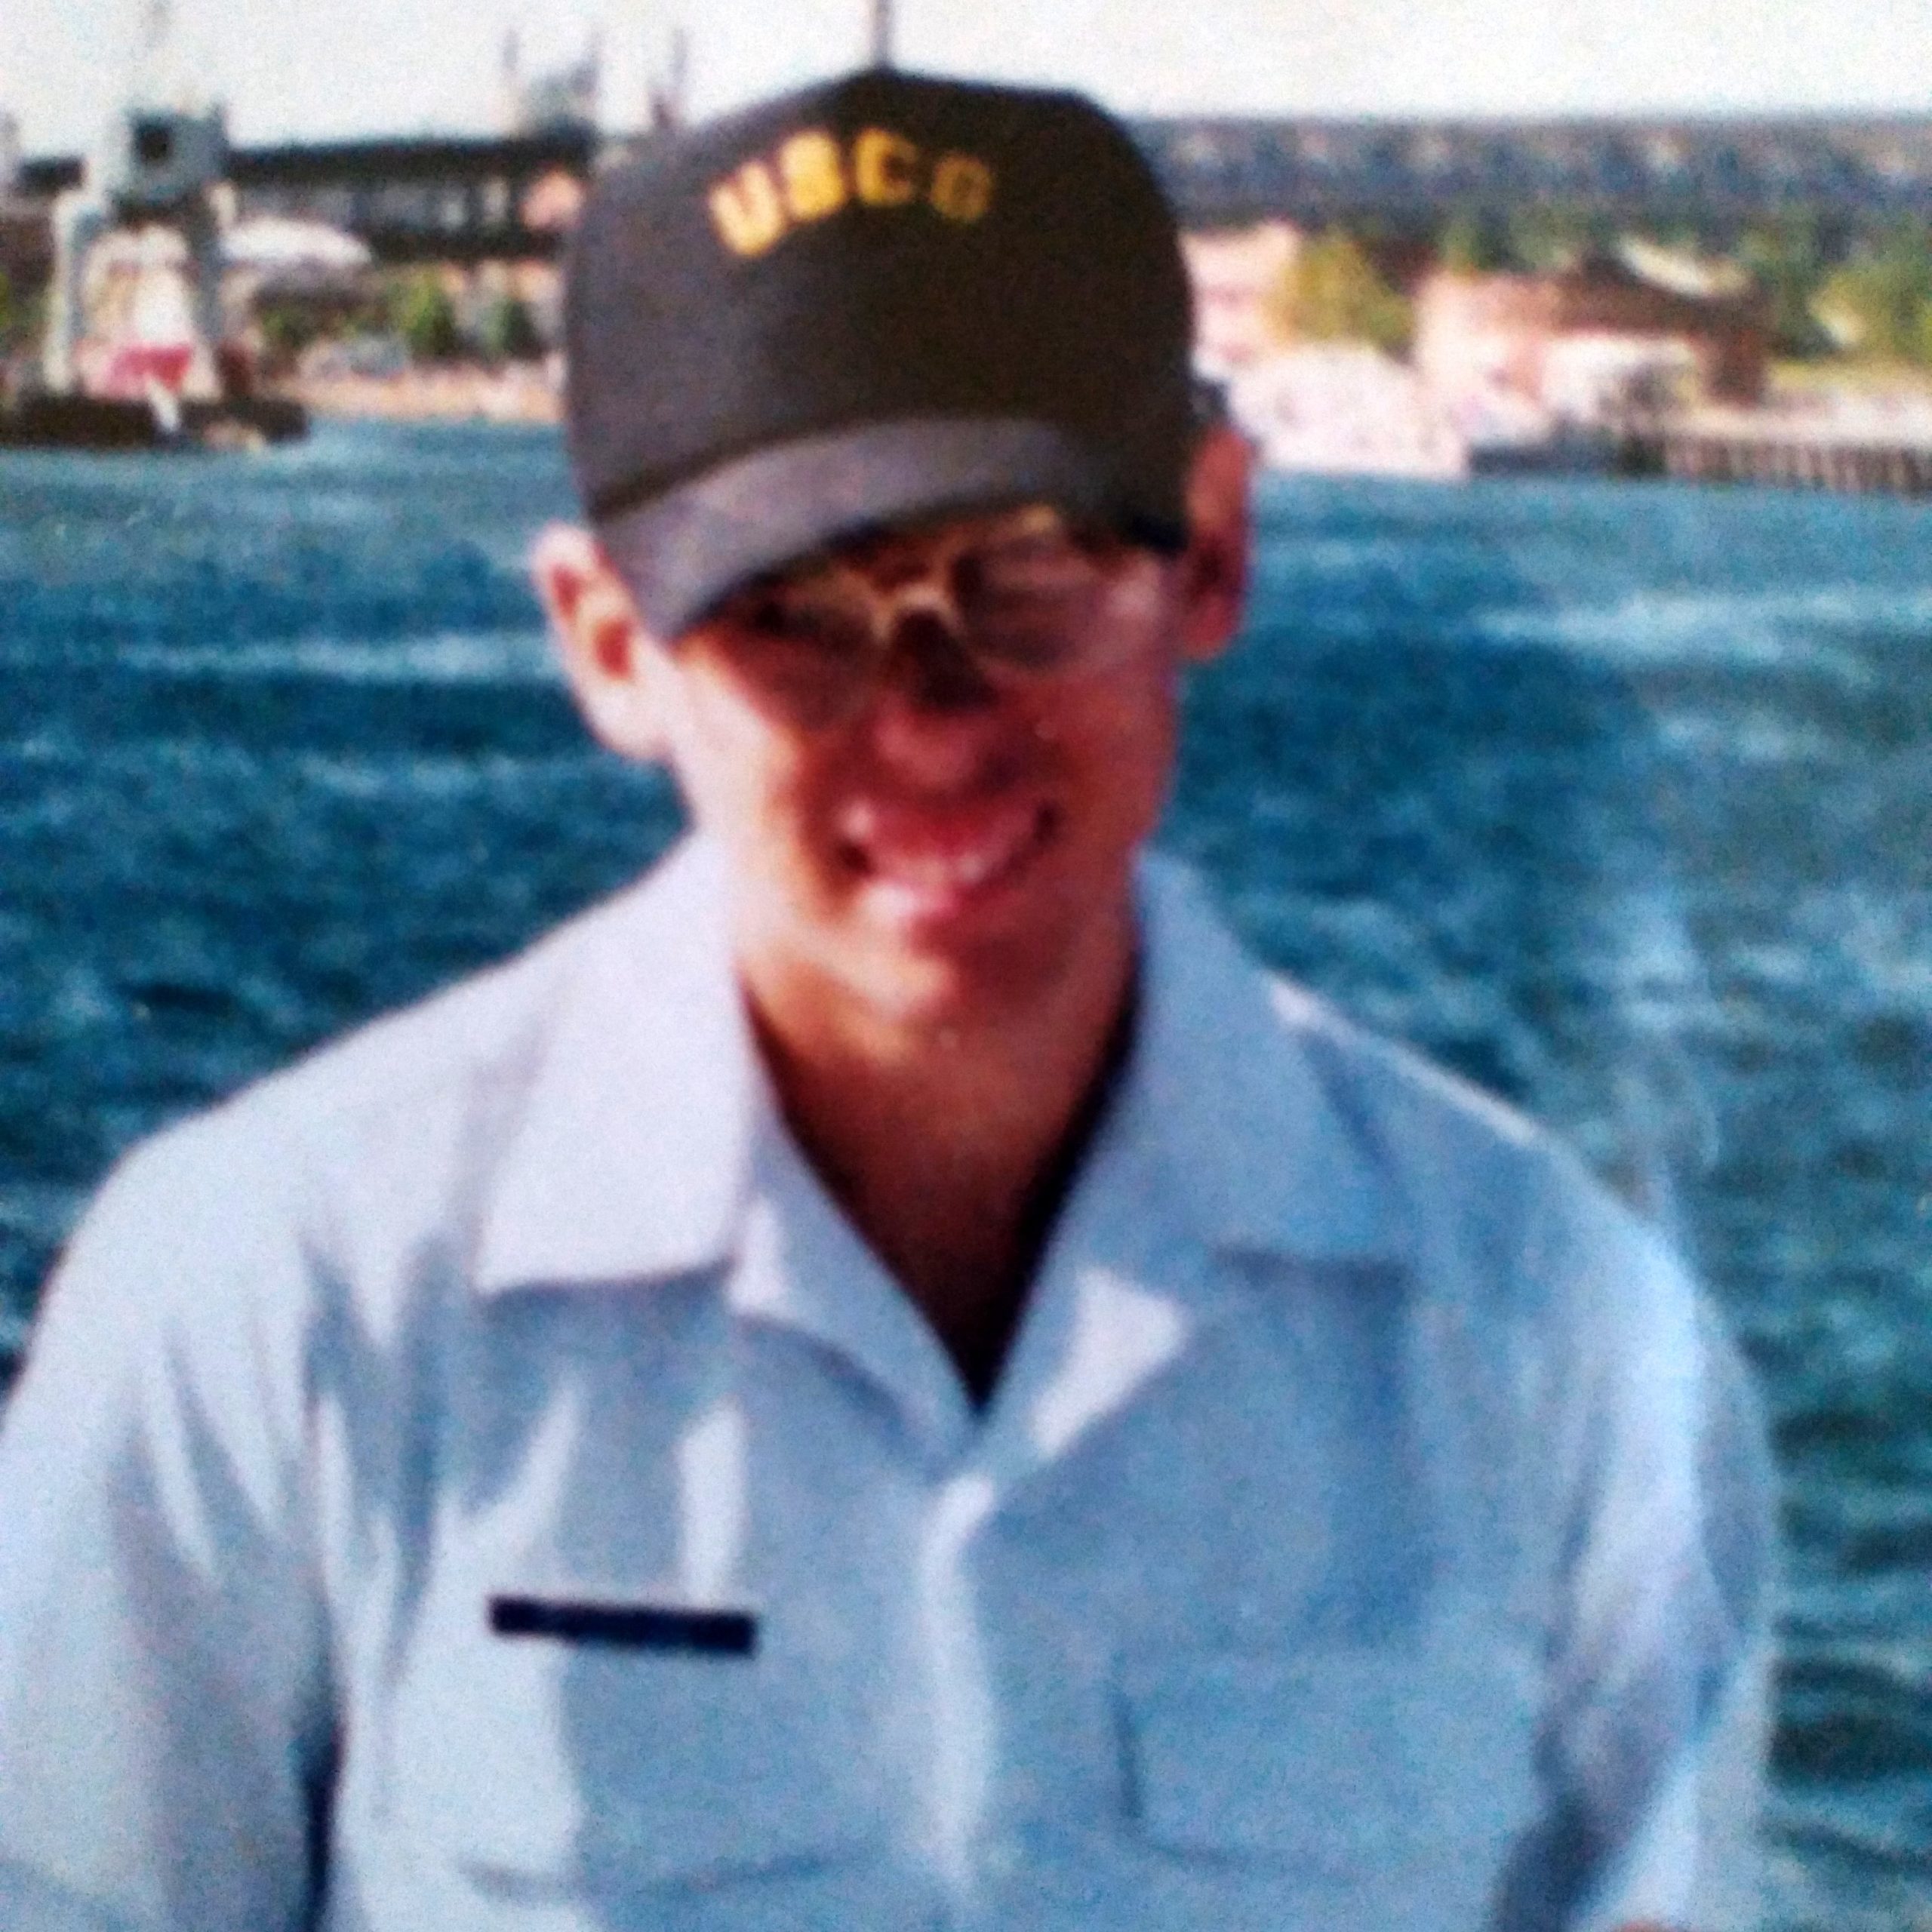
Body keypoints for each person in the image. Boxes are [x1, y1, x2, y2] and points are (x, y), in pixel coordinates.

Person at [0, 68, 1774, 1932]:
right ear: (608, 645)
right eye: (794, 612)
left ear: (1211, 552)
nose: (929, 723)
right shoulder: (270, 1320)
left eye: (1023, 572)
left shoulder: (1566, 1365)